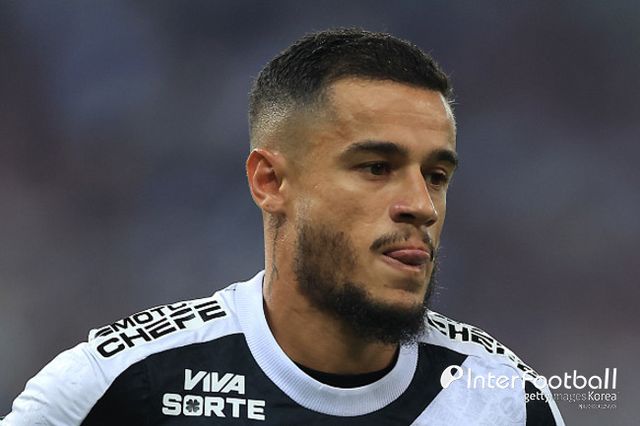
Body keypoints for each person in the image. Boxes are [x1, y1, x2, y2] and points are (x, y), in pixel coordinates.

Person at [2, 28, 564, 425]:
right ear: (269, 182)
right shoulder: (124, 386)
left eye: (436, 175)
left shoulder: (509, 402)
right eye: (376, 168)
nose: (422, 205)